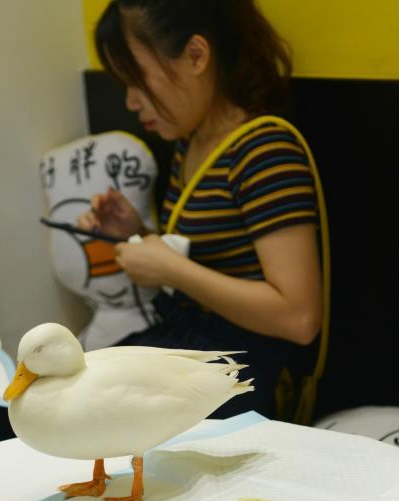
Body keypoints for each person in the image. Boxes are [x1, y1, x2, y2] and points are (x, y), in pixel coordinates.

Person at [76, 0, 323, 418]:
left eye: (137, 81)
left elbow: (299, 316)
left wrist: (170, 269)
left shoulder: (263, 151)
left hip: (241, 376)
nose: (132, 103)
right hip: (194, 349)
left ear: (196, 56)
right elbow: (216, 263)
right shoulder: (191, 145)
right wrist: (136, 233)